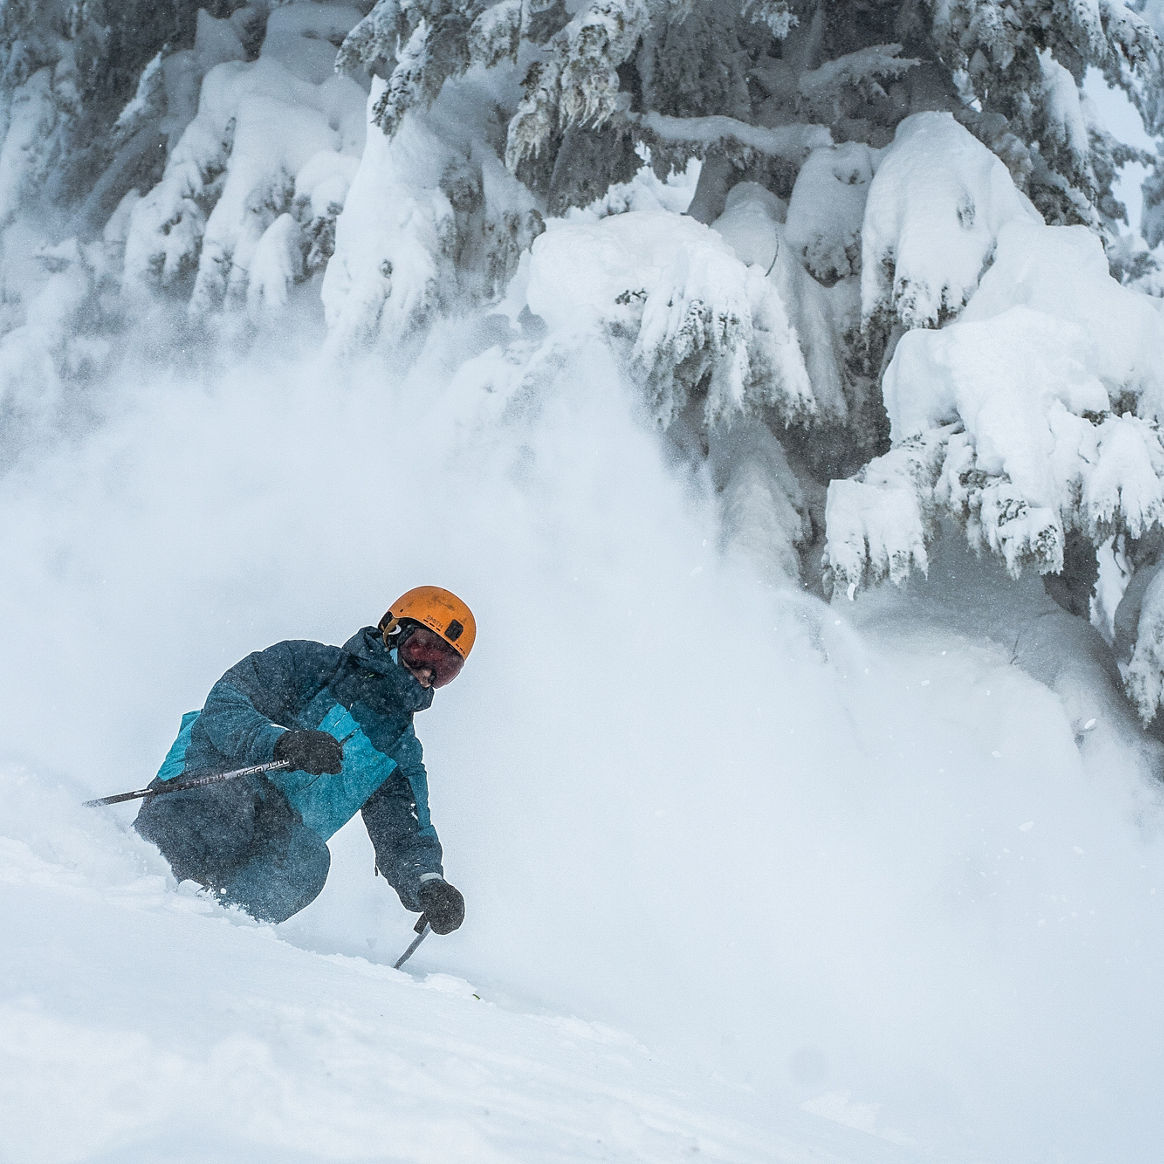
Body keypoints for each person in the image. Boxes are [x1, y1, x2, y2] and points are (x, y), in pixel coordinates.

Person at [134, 586, 472, 931]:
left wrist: (430, 885)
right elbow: (225, 703)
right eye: (423, 650)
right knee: (230, 807)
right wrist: (281, 743)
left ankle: (214, 930)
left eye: (445, 667)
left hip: (274, 831)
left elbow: (405, 833)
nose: (427, 672)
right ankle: (129, 886)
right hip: (204, 787)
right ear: (393, 632)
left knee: (308, 861)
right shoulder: (309, 665)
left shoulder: (399, 753)